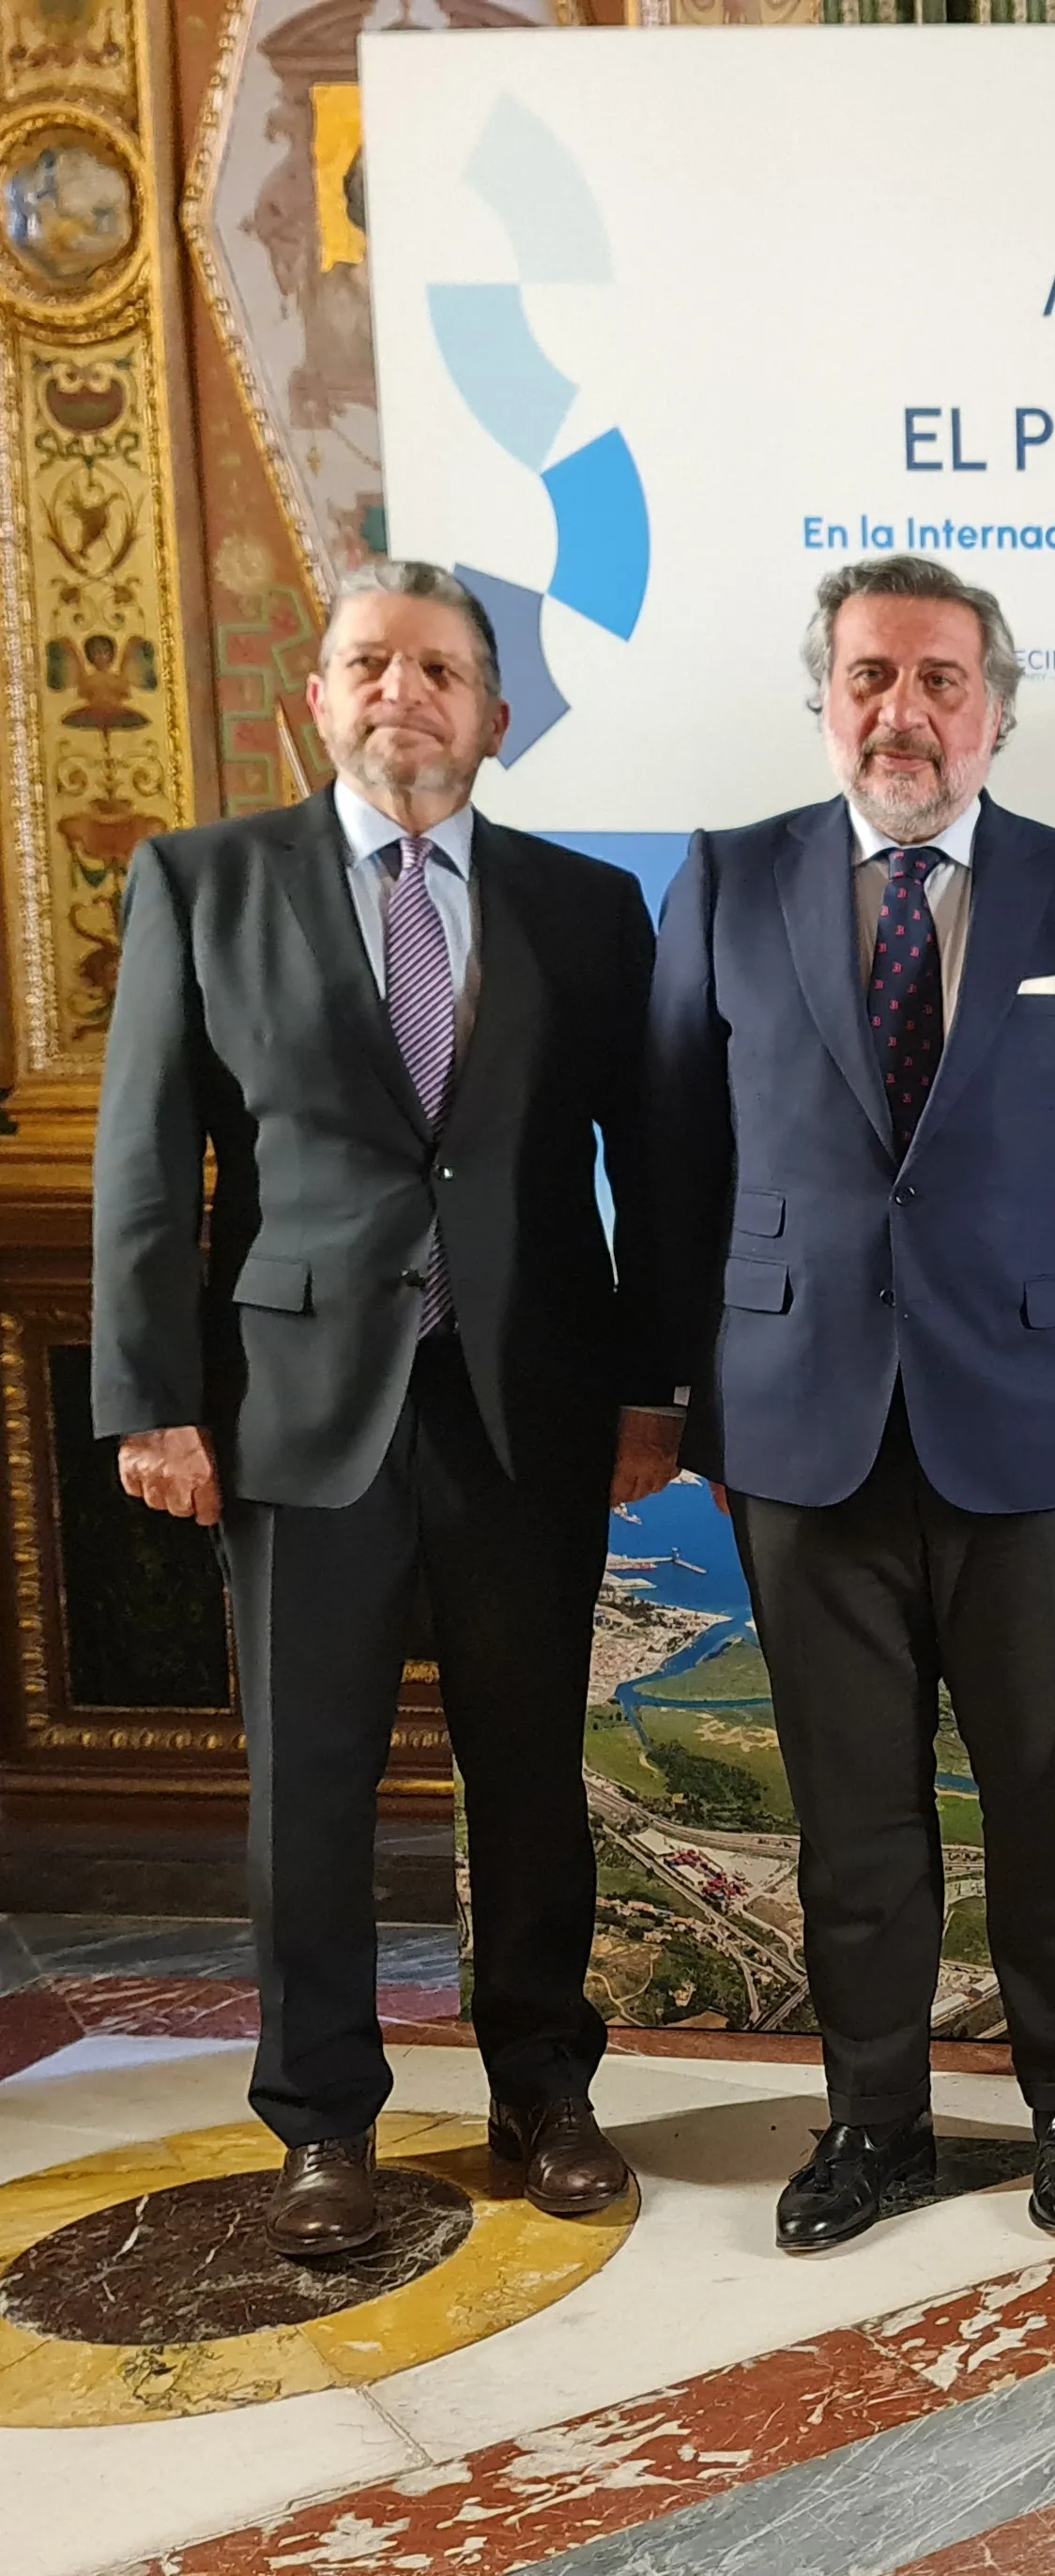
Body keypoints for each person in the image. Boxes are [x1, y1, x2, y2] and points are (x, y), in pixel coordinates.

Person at [94, 560, 675, 2255]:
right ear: (317, 697)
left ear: (493, 714)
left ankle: (546, 2090)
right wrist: (152, 1402)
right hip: (289, 1415)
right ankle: (323, 2125)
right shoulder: (203, 884)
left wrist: (652, 1388)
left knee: (530, 1772)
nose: (399, 692)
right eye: (368, 663)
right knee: (313, 1785)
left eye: (438, 668)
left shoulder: (584, 907)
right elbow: (148, 1169)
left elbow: (645, 1170)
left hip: (531, 1409)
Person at [645, 555, 1055, 2252]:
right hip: (799, 1428)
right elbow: (675, 1164)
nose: (907, 710)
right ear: (826, 696)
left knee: (1051, 1801)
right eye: (873, 675)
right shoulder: (728, 881)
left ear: (998, 708)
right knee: (851, 1812)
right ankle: (873, 2122)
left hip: (1036, 1426)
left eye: (942, 679)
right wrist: (684, 1405)